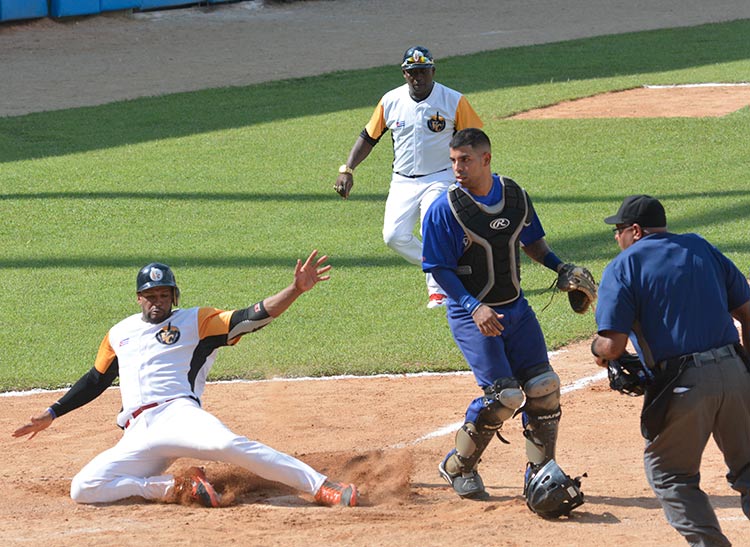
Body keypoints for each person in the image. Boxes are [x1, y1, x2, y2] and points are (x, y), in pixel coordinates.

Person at [12, 251, 358, 509]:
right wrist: (52, 413)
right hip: (137, 432)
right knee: (84, 489)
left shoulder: (197, 321)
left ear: (174, 296)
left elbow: (250, 317)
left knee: (230, 446)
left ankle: (321, 486)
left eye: (165, 295)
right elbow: (96, 379)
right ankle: (175, 486)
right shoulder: (119, 333)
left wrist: (295, 289)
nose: (157, 303)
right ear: (139, 298)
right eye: (151, 296)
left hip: (178, 415)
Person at [421, 128, 586, 516]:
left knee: (545, 387)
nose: (457, 168)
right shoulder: (445, 209)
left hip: (516, 309)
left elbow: (533, 242)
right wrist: (473, 306)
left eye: (465, 160)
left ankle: (540, 473)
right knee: (506, 397)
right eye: (453, 160)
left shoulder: (514, 197)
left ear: (486, 159)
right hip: (472, 314)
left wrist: (559, 266)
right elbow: (438, 269)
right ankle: (457, 465)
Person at [591, 195, 750, 546]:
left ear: (634, 230)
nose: (616, 238)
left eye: (618, 230)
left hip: (685, 384)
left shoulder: (624, 265)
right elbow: (748, 314)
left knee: (670, 473)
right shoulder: (700, 247)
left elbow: (613, 346)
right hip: (736, 373)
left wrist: (597, 349)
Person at [334, 45, 483, 309]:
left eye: (423, 71)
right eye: (413, 72)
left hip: (440, 177)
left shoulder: (453, 100)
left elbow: (475, 141)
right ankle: (444, 267)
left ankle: (438, 291)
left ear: (433, 71)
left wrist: (475, 177)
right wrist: (347, 169)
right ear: (404, 73)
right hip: (402, 180)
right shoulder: (390, 101)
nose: (418, 77)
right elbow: (369, 137)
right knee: (393, 236)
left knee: (431, 226)